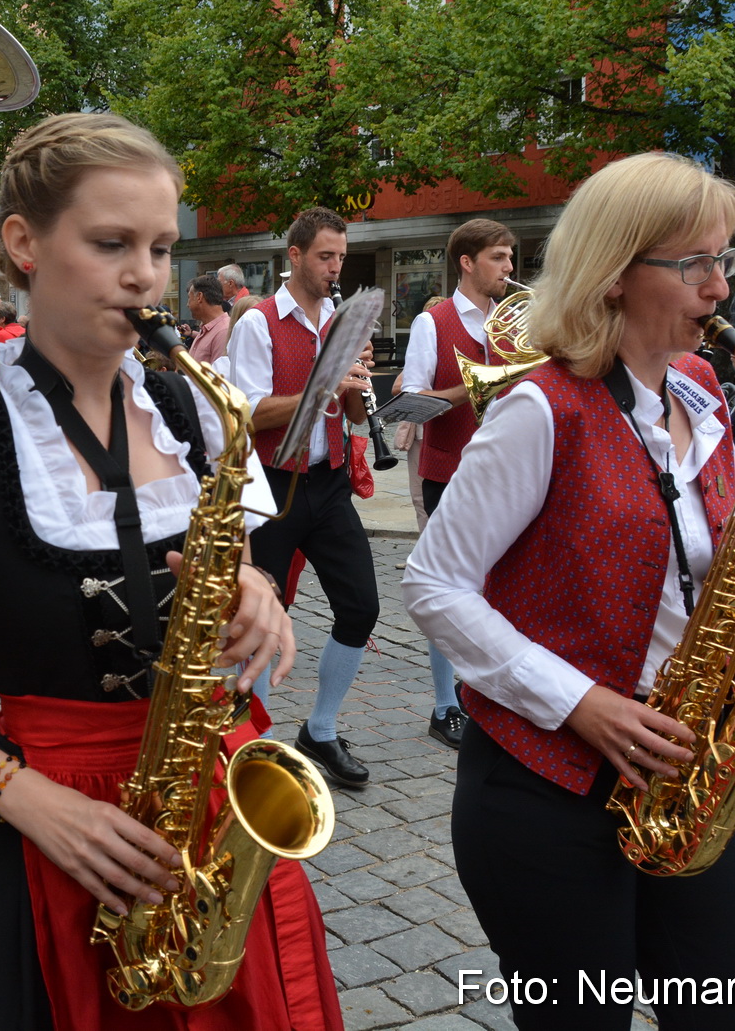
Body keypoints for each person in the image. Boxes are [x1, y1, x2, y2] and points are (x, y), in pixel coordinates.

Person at [0, 111, 340, 1031]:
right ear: (23, 243)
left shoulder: (196, 411)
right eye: (111, 243)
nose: (146, 274)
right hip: (49, 816)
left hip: (209, 802)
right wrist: (23, 796)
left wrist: (257, 591)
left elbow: (236, 566)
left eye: (160, 247)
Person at [403, 151, 735, 1030]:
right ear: (616, 272)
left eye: (725, 259)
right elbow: (433, 583)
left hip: (682, 771)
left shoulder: (702, 391)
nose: (722, 286)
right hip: (546, 792)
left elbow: (695, 545)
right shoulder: (542, 407)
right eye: (696, 264)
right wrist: (579, 700)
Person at [225, 205, 378, 789]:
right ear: (294, 256)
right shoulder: (258, 322)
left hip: (328, 480)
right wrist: (322, 385)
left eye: (341, 257)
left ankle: (320, 728)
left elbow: (353, 412)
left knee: (361, 606)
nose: (335, 268)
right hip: (272, 483)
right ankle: (254, 743)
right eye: (325, 257)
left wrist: (357, 385)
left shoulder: (340, 318)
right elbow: (248, 412)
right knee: (259, 616)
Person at [400, 217, 517, 749]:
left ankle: (488, 694)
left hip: (507, 474)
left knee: (502, 589)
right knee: (451, 591)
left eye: (510, 257)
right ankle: (445, 705)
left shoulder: (514, 322)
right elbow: (413, 402)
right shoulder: (434, 322)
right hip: (449, 471)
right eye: (498, 257)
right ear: (467, 263)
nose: (508, 267)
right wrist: (473, 389)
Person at [186, 271, 231, 365]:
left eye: (189, 298)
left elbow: (219, 372)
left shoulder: (223, 331)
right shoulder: (207, 328)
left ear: (199, 297)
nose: (187, 305)